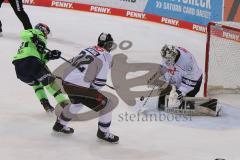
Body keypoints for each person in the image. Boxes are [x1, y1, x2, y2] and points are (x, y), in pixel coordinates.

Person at [52, 33, 119, 143]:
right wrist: (90, 90)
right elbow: (100, 83)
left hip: (66, 81)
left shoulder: (89, 47)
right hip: (78, 86)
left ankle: (60, 124)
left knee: (77, 103)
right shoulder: (106, 56)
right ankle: (103, 132)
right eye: (110, 44)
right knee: (107, 105)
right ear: (108, 44)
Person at [12, 23, 69, 112]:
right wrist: (35, 38)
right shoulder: (36, 32)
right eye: (46, 32)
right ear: (42, 29)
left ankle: (46, 106)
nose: (46, 35)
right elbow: (23, 33)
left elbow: (41, 60)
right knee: (50, 82)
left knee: (37, 84)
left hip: (19, 69)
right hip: (30, 61)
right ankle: (65, 105)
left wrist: (50, 56)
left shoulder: (36, 44)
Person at [157, 44, 203, 110]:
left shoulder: (187, 62)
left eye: (168, 60)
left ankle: (192, 105)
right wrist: (162, 79)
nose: (166, 62)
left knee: (185, 104)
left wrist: (180, 92)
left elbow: (190, 81)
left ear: (173, 57)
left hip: (194, 81)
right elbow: (164, 67)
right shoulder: (169, 53)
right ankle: (162, 106)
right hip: (178, 77)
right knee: (164, 88)